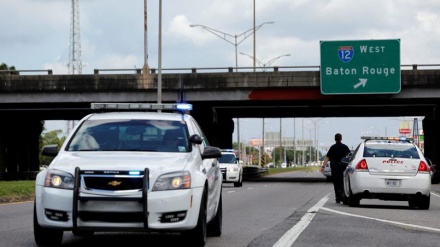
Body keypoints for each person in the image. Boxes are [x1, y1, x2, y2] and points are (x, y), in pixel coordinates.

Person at [321, 133, 351, 203]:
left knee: (336, 182)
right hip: (342, 167)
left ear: (335, 139)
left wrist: (323, 166)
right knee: (342, 182)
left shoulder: (332, 147)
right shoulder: (345, 147)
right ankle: (343, 196)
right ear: (341, 138)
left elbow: (327, 157)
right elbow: (350, 156)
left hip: (334, 167)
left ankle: (337, 197)